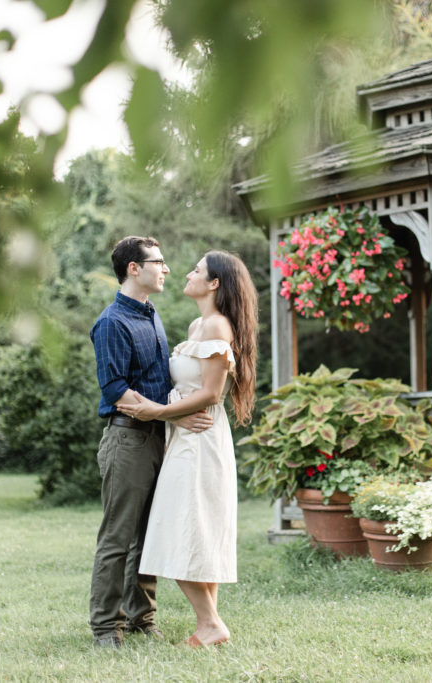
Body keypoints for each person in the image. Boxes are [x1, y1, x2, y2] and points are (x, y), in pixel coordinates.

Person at [117, 250, 258, 648]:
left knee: (178, 528)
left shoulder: (216, 327)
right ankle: (207, 624)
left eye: (197, 270)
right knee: (191, 526)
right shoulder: (198, 324)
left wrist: (154, 411)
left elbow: (211, 393)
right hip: (185, 435)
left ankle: (211, 624)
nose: (187, 273)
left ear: (214, 283)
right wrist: (167, 416)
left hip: (201, 440)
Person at [88, 236, 214, 649]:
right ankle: (108, 627)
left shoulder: (151, 314)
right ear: (133, 269)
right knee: (117, 538)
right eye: (157, 262)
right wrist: (177, 414)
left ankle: (142, 619)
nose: (167, 268)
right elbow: (117, 392)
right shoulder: (112, 322)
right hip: (127, 441)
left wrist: (172, 418)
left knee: (148, 535)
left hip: (159, 439)